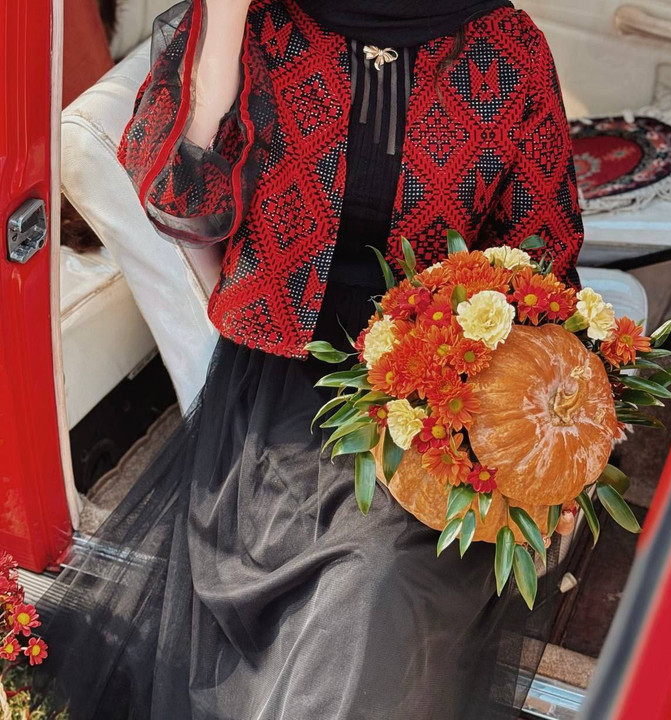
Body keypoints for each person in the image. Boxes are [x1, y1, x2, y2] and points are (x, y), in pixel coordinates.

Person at [35, 0, 584, 717]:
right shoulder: (266, 24)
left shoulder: (509, 50)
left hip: (442, 392)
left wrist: (547, 424)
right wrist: (225, 24)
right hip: (283, 381)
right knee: (360, 582)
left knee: (383, 579)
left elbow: (544, 260)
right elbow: (180, 197)